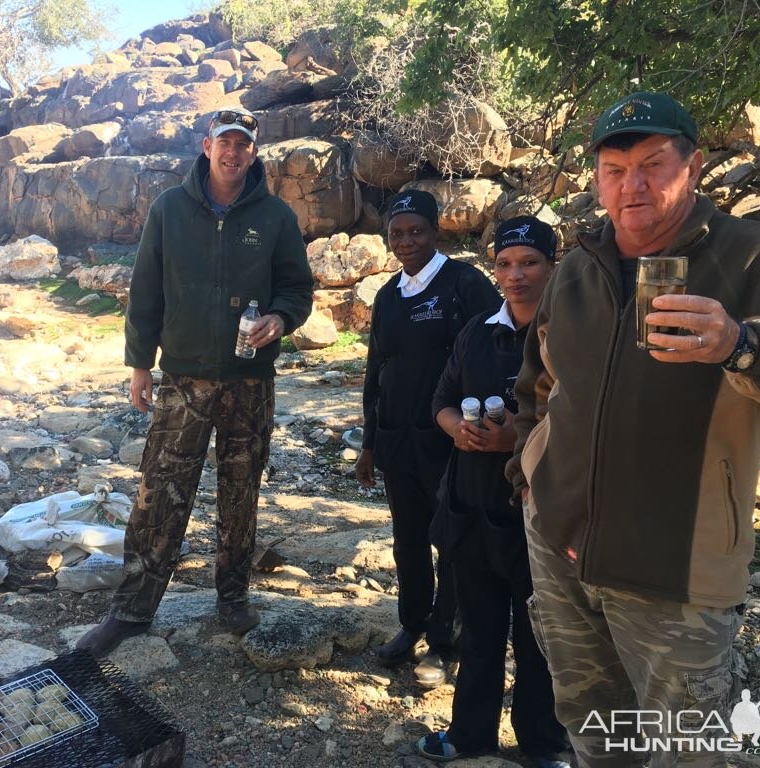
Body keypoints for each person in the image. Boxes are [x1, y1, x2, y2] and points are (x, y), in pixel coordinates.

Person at [505, 91, 760, 766]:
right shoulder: (579, 265)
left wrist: (738, 343)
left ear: (690, 167)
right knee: (595, 735)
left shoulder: (757, 256)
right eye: (614, 167)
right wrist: (528, 478)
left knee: (684, 751)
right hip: (561, 551)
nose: (632, 184)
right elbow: (537, 386)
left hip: (676, 573)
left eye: (653, 164)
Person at [77, 106, 314, 656]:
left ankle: (232, 599)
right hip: (182, 378)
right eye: (224, 143)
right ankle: (132, 609)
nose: (234, 153)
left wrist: (280, 319)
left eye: (244, 145)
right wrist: (140, 363)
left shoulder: (275, 217)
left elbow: (297, 290)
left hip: (249, 381)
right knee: (160, 490)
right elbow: (146, 290)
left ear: (254, 153)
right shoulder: (169, 209)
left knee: (240, 491)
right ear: (207, 147)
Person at [417, 216, 568, 765]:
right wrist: (457, 426)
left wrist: (517, 439)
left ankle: (542, 746)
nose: (516, 275)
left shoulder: (572, 335)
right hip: (473, 508)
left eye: (529, 262)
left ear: (554, 266)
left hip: (540, 517)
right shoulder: (478, 331)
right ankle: (470, 735)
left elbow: (587, 424)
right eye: (505, 264)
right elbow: (441, 398)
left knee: (538, 642)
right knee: (478, 633)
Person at [356, 189, 501, 688]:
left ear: (436, 230)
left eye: (416, 231)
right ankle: (411, 624)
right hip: (398, 443)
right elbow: (378, 369)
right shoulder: (388, 295)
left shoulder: (465, 284)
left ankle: (446, 643)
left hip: (451, 443)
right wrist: (370, 442)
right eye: (397, 233)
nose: (407, 242)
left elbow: (499, 351)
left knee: (453, 543)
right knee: (408, 543)